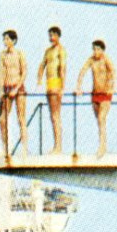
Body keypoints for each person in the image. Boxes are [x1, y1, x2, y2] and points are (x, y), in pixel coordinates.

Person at [76, 39, 116, 157]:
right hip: (95, 94)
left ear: (102, 50)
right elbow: (82, 71)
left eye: (98, 49)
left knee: (101, 118)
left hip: (105, 93)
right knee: (99, 122)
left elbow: (113, 73)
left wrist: (112, 87)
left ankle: (102, 147)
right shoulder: (91, 60)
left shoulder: (106, 59)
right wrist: (79, 86)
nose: (95, 52)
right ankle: (103, 144)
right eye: (94, 49)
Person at [37, 26, 68, 155]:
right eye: (49, 35)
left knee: (56, 115)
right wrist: (39, 79)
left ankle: (58, 146)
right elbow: (42, 65)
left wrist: (62, 86)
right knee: (52, 116)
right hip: (49, 84)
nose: (51, 38)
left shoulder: (61, 50)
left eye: (53, 35)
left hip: (56, 83)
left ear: (57, 35)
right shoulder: (48, 51)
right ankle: (56, 145)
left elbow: (63, 68)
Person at [0, 29, 27, 159]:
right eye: (4, 39)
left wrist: (17, 88)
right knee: (3, 119)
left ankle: (25, 148)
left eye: (7, 39)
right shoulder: (3, 55)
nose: (5, 42)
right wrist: (1, 90)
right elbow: (1, 73)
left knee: (21, 118)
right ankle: (5, 148)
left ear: (13, 40)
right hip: (7, 88)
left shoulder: (19, 53)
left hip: (18, 87)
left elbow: (24, 72)